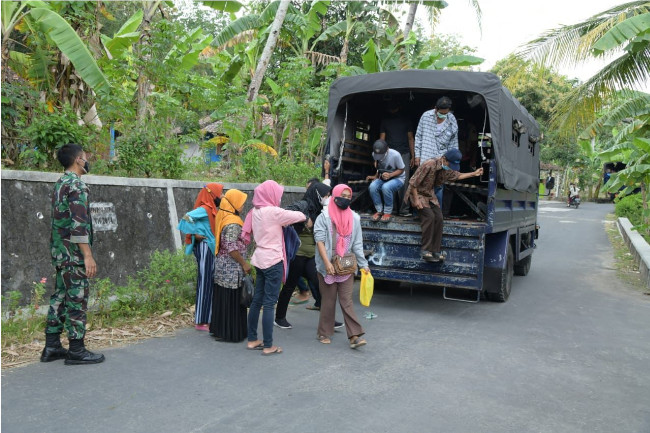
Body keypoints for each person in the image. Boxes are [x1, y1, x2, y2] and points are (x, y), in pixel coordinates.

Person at [42, 143, 104, 365]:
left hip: (60, 253)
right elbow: (79, 224)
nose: (87, 160)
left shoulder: (61, 183)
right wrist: (87, 255)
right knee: (77, 299)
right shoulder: (77, 185)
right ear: (78, 160)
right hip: (74, 255)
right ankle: (76, 350)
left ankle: (52, 346)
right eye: (85, 156)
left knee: (59, 297)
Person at [241, 180, 306, 355]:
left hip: (260, 259)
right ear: (270, 194)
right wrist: (296, 209)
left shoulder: (255, 211)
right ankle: (268, 345)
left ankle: (252, 340)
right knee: (269, 304)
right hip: (273, 260)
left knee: (257, 301)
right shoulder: (274, 212)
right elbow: (300, 216)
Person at [275, 182, 340, 328]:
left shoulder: (320, 209)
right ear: (317, 194)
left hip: (312, 254)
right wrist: (304, 218)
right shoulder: (303, 205)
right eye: (325, 195)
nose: (327, 198)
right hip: (298, 253)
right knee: (290, 285)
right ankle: (279, 318)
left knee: (319, 284)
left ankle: (329, 319)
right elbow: (285, 211)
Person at [314, 184, 370, 349]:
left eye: (348, 196)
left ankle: (354, 335)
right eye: (342, 196)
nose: (345, 199)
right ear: (335, 195)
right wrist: (327, 263)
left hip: (346, 264)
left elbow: (357, 244)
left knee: (347, 301)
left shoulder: (354, 218)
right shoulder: (324, 217)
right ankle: (324, 333)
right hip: (327, 264)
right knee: (329, 300)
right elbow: (319, 241)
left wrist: (364, 265)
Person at [406, 149, 483, 262]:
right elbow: (413, 183)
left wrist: (473, 173)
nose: (450, 167)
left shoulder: (446, 167)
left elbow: (457, 176)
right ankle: (425, 250)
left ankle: (435, 251)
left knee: (439, 218)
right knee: (430, 216)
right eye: (450, 164)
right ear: (444, 159)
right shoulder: (429, 164)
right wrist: (416, 200)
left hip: (429, 195)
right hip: (417, 194)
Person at [210, 189, 250, 342]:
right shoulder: (233, 223)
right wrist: (244, 264)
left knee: (223, 298)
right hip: (231, 268)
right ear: (233, 203)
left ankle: (220, 330)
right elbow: (232, 247)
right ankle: (231, 333)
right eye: (241, 203)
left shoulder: (223, 216)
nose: (243, 206)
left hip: (222, 266)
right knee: (232, 301)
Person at [182, 183, 223, 331]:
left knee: (210, 283)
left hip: (210, 247)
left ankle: (208, 318)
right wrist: (194, 233)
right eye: (220, 193)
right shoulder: (205, 209)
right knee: (205, 283)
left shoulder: (211, 209)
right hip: (205, 247)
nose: (222, 196)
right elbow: (186, 217)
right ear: (213, 194)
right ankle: (200, 321)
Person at [414, 96, 459, 207]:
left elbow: (453, 143)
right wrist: (417, 156)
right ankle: (419, 212)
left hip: (441, 159)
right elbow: (418, 136)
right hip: (426, 157)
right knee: (421, 186)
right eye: (441, 113)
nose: (443, 115)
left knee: (438, 187)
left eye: (445, 113)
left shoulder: (451, 119)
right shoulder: (426, 116)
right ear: (435, 109)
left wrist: (452, 162)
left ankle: (437, 212)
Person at [380, 102, 415, 216]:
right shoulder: (406, 120)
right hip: (403, 154)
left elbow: (382, 141)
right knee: (403, 181)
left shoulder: (385, 121)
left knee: (390, 180)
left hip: (390, 154)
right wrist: (413, 156)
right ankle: (403, 210)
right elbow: (410, 139)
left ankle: (392, 210)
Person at [366, 139, 406, 223]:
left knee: (386, 187)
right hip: (383, 178)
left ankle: (387, 212)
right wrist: (375, 176)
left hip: (398, 178)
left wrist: (390, 175)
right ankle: (379, 211)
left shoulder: (395, 155)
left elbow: (401, 169)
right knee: (372, 186)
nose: (379, 156)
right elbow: (379, 168)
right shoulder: (374, 154)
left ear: (387, 149)